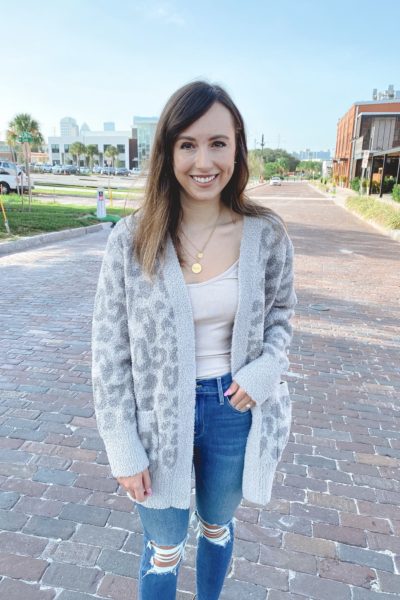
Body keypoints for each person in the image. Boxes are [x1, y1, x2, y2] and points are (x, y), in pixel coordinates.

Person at [91, 80, 297, 600]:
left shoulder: (266, 235)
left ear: (237, 147)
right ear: (168, 152)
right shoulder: (132, 240)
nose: (203, 160)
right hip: (158, 416)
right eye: (187, 144)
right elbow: (108, 354)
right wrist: (122, 444)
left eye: (217, 143)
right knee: (164, 546)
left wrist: (265, 370)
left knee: (216, 526)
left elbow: (282, 317)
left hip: (234, 408)